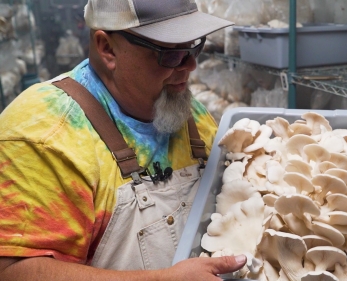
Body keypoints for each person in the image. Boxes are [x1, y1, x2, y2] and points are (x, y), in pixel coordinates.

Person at [0, 0, 247, 280]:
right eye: (171, 53)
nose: (191, 65)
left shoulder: (189, 114)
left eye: (195, 47)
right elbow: (13, 272)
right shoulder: (45, 135)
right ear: (108, 48)